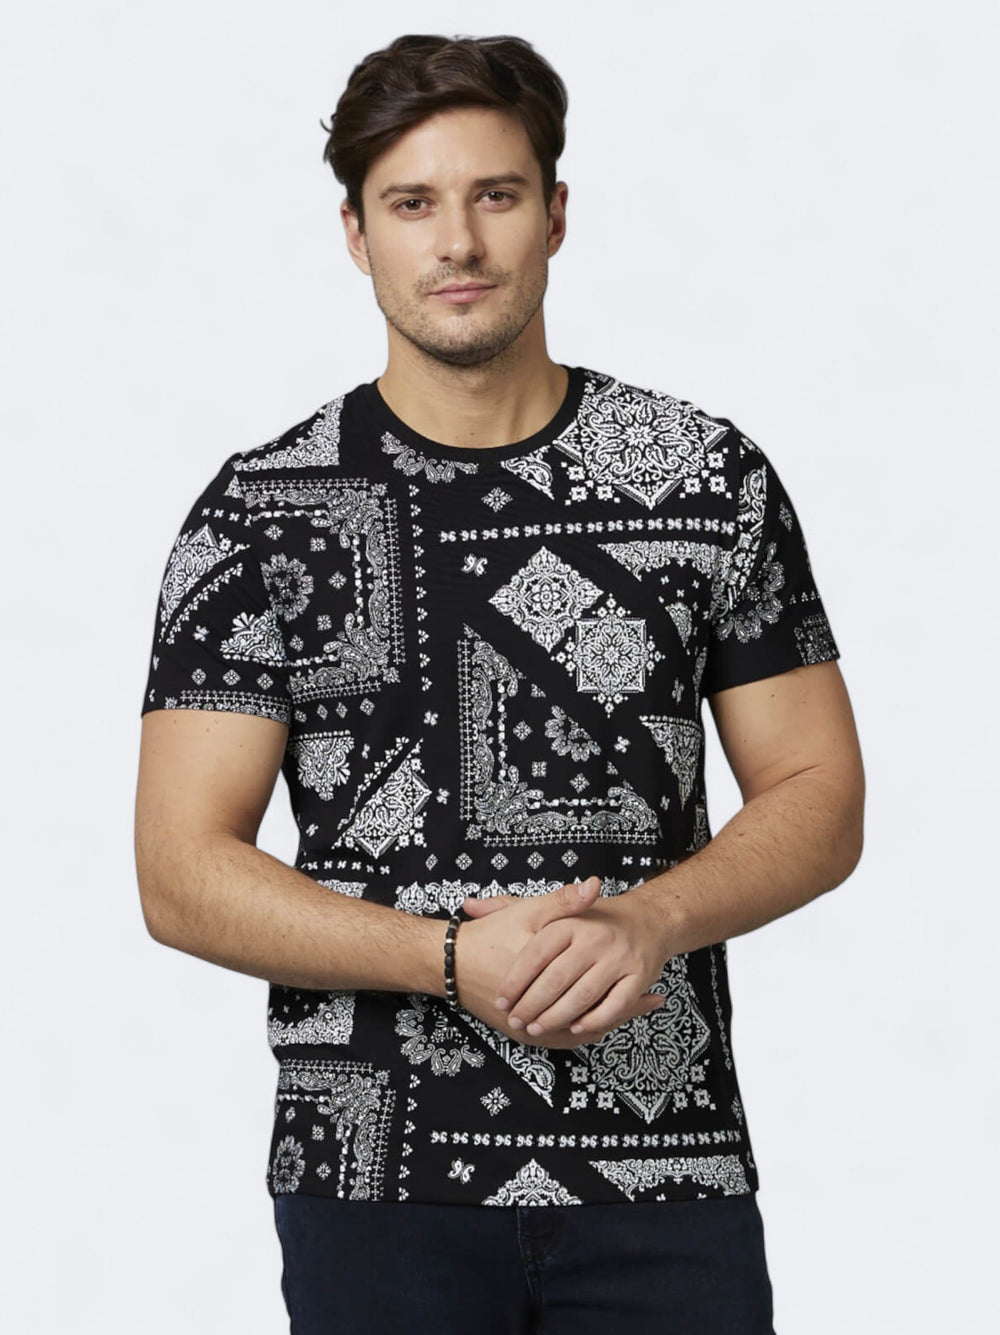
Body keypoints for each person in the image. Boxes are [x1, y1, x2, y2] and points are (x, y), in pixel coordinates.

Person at [134, 31, 865, 1335]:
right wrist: (446, 959)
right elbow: (179, 870)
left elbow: (820, 792)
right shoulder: (262, 512)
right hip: (376, 1180)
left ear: (556, 214)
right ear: (357, 235)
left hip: (666, 1169)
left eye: (496, 195)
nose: (458, 243)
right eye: (413, 204)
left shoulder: (704, 479)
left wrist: (652, 922)